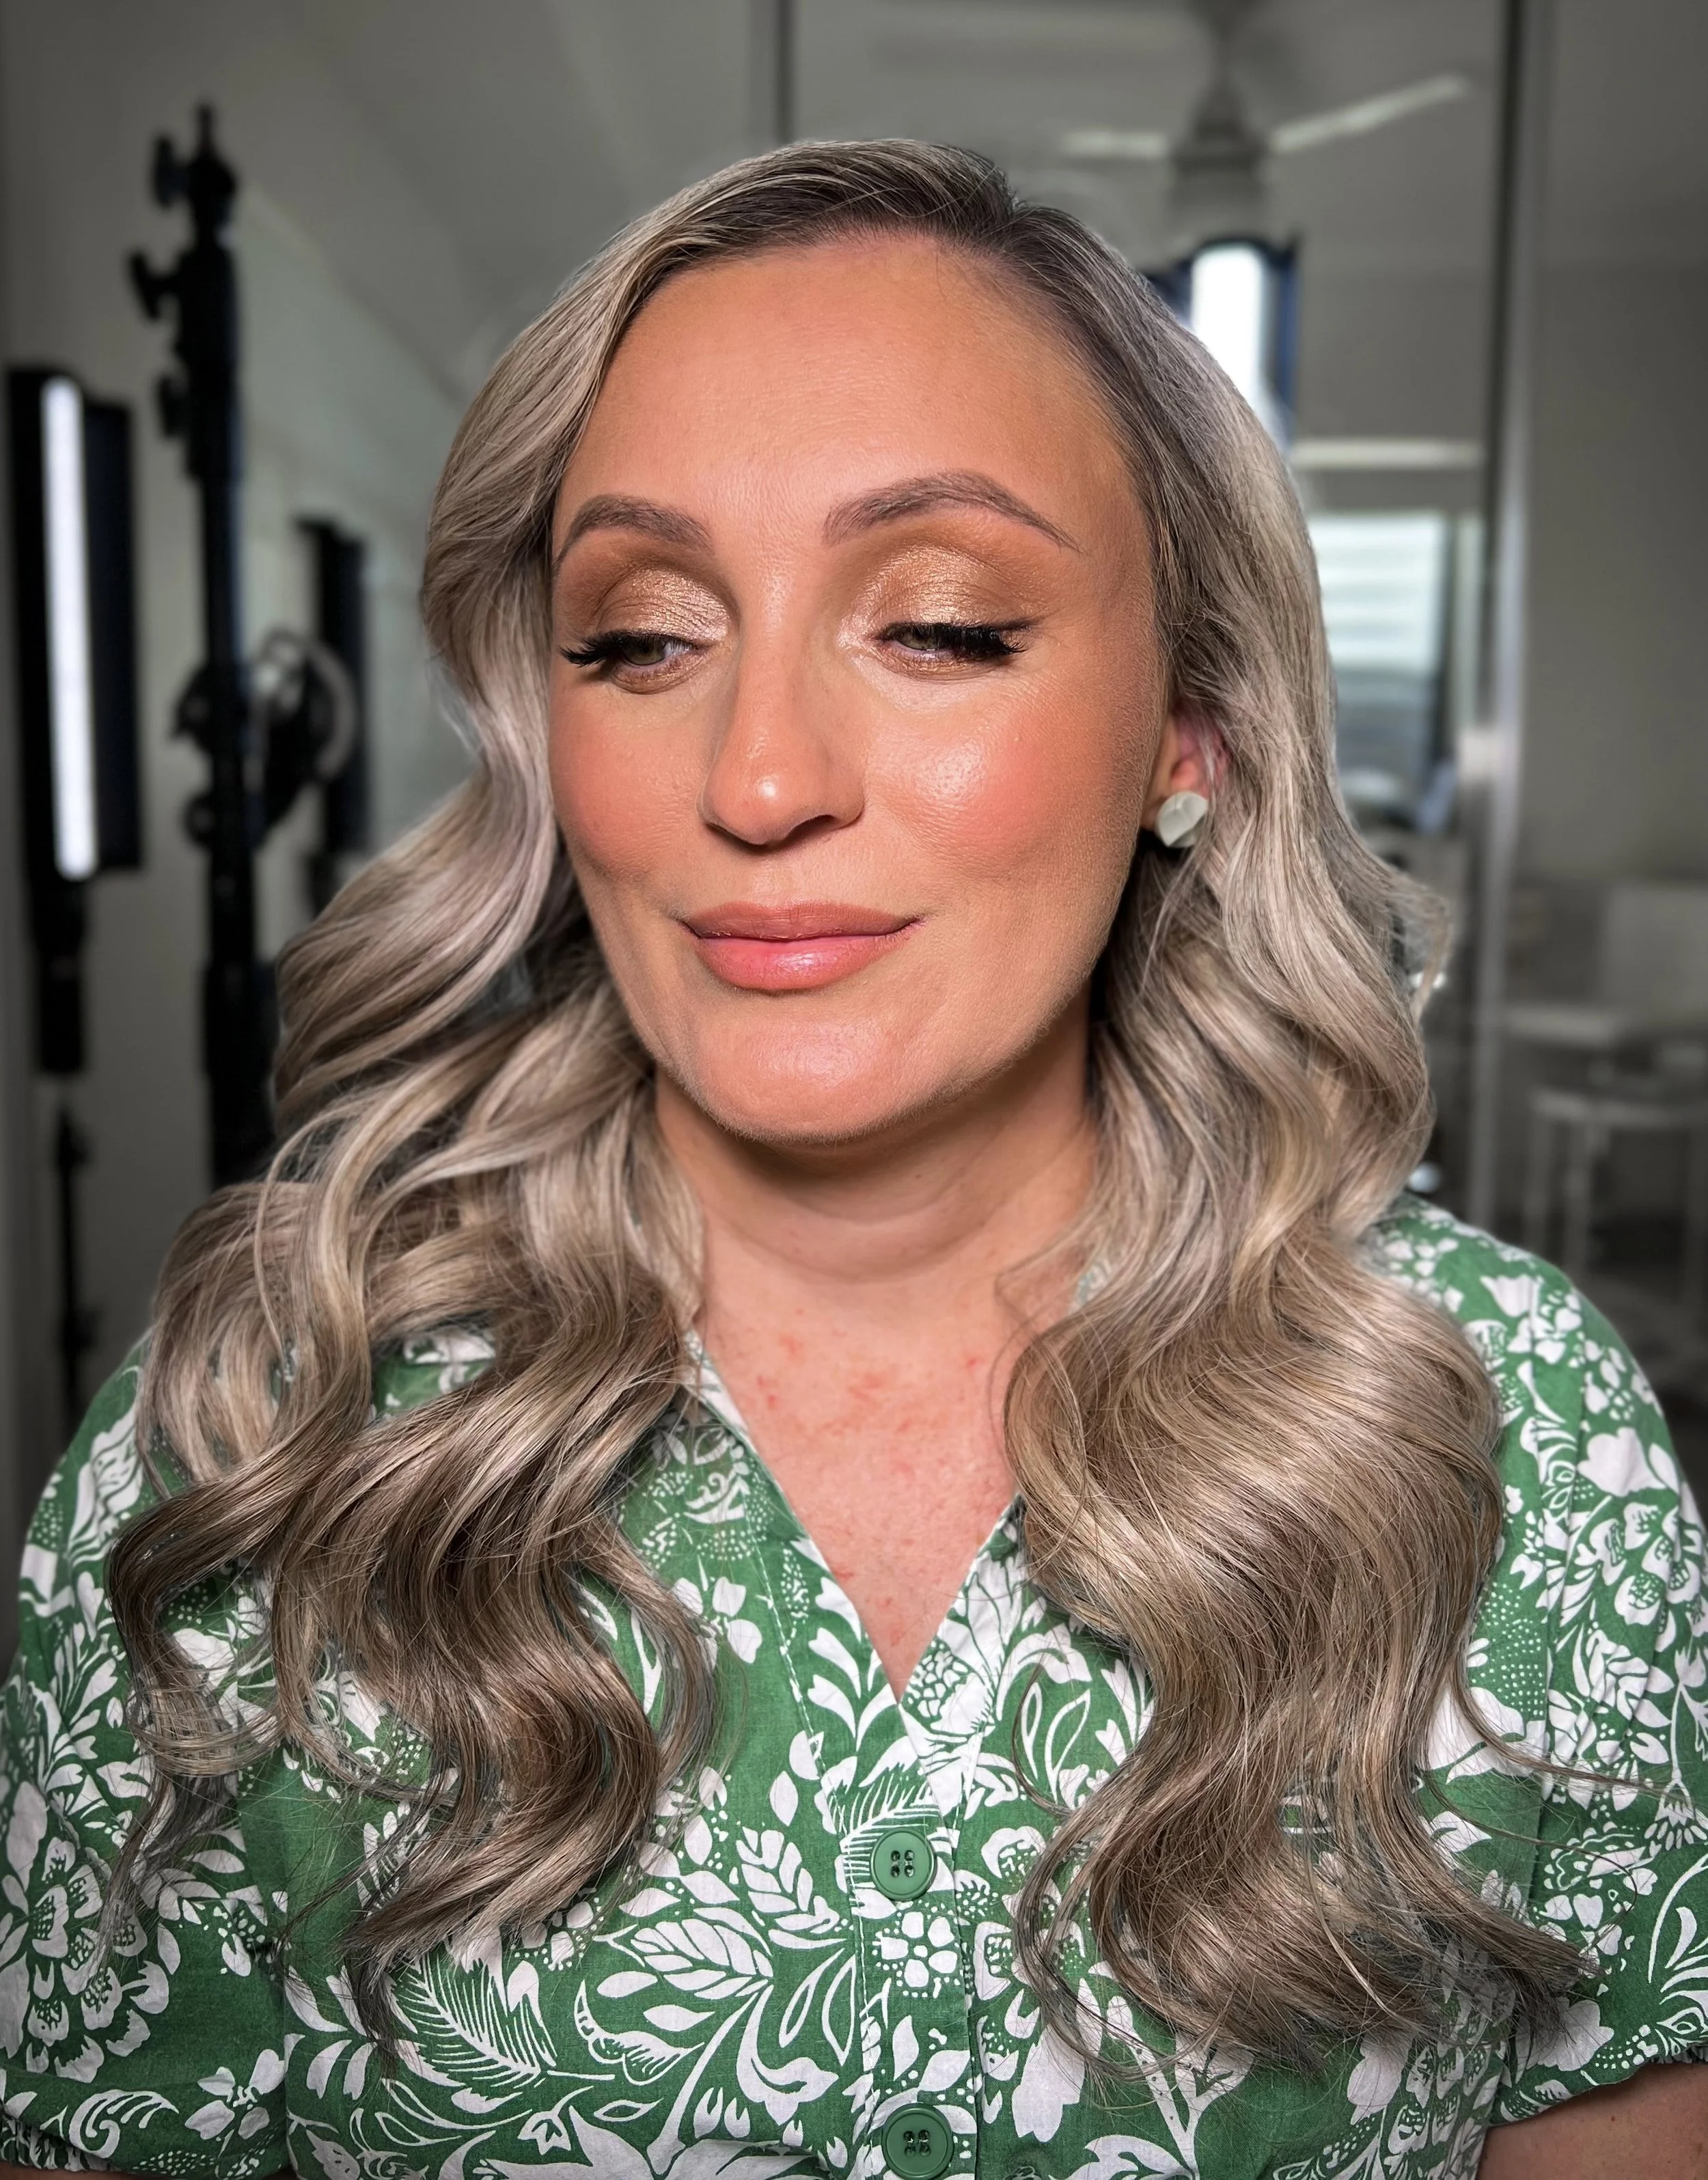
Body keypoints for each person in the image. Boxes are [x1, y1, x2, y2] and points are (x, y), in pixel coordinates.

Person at [1, 142, 1705, 2180]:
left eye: (941, 623)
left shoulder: (1509, 1430)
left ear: (1190, 728)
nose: (761, 777)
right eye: (641, 638)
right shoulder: (259, 1422)